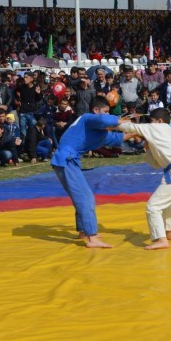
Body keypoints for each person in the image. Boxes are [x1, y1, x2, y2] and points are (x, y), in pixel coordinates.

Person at [51, 95, 130, 248]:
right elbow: (104, 120)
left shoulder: (98, 132)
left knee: (80, 196)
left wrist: (142, 131)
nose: (107, 114)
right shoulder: (88, 118)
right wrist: (122, 121)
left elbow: (116, 138)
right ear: (96, 110)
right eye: (105, 111)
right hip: (66, 160)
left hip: (68, 161)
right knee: (85, 197)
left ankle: (83, 231)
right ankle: (92, 237)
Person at [117, 108, 171, 250]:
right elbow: (156, 164)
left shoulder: (158, 127)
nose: (150, 124)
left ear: (159, 121)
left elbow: (129, 127)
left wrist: (111, 120)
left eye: (152, 121)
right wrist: (148, 149)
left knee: (152, 207)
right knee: (166, 202)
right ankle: (168, 232)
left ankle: (160, 239)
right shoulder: (169, 132)